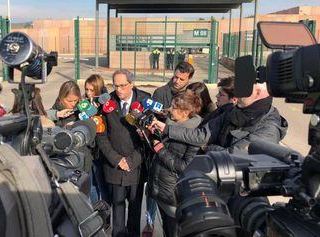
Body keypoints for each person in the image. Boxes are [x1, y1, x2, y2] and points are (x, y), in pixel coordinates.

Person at [150, 82, 288, 154]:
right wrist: (167, 129)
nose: (237, 95)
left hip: (241, 194)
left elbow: (234, 155)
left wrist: (208, 148)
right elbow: (203, 134)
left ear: (257, 93)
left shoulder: (268, 129)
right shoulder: (236, 110)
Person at [96, 69, 150, 237]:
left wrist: (132, 161)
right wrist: (117, 159)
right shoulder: (107, 103)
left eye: (122, 86)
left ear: (131, 84)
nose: (118, 90)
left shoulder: (145, 100)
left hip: (136, 168)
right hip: (115, 167)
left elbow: (150, 137)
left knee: (134, 213)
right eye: (115, 85)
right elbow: (101, 136)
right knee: (117, 218)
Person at [147, 92, 202, 237]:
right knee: (167, 229)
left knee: (175, 231)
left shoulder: (195, 134)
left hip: (173, 194)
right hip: (160, 188)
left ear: (185, 112)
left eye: (174, 107)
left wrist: (160, 150)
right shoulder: (172, 125)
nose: (170, 109)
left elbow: (184, 166)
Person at [84, 74, 111, 205]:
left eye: (91, 90)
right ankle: (95, 211)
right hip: (89, 150)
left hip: (102, 151)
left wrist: (96, 113)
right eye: (86, 89)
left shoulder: (106, 104)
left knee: (102, 184)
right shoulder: (84, 104)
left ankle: (106, 213)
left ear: (98, 89)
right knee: (92, 185)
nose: (88, 93)